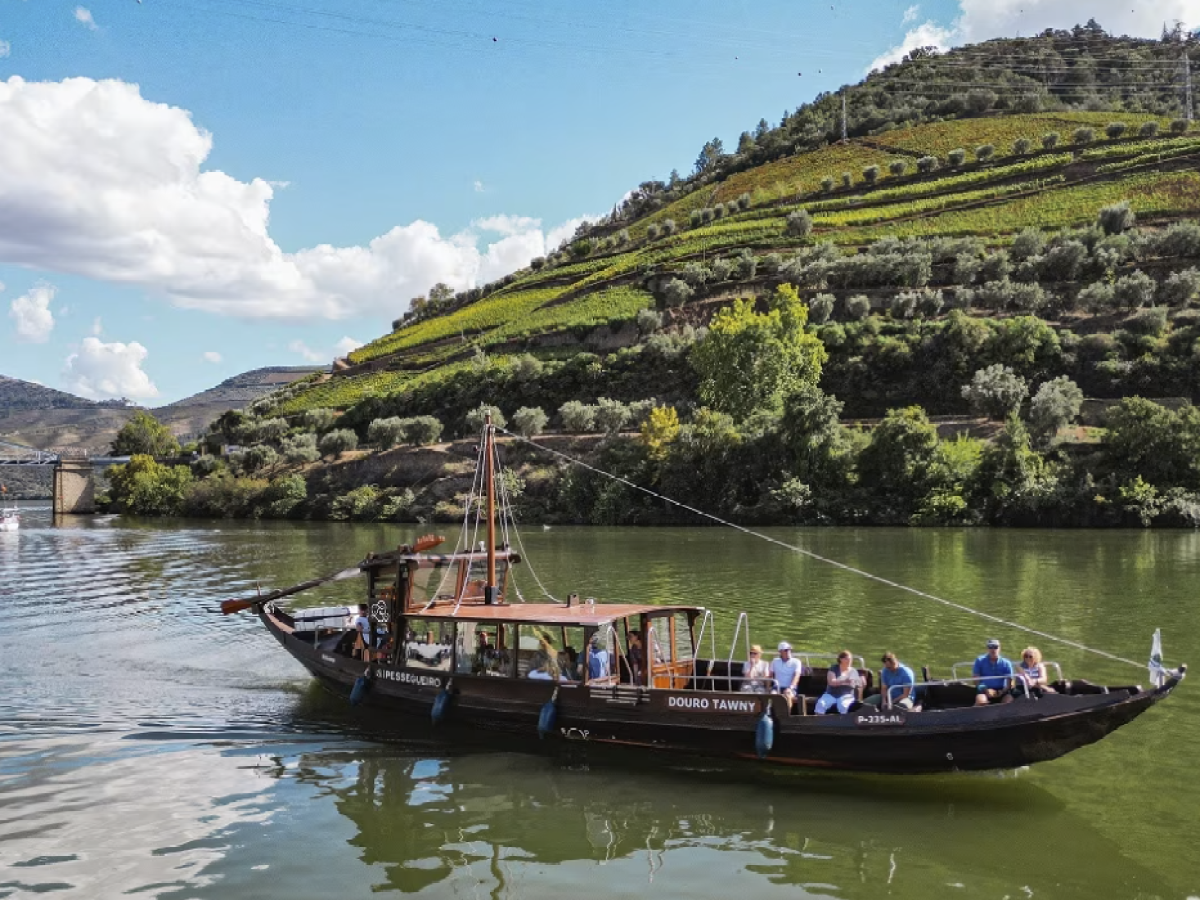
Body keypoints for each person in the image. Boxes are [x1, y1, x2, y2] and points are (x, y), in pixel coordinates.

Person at [815, 650, 864, 715]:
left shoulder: (853, 671)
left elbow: (857, 684)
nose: (849, 661)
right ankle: (818, 721)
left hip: (846, 695)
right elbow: (831, 682)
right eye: (847, 659)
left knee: (844, 706)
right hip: (831, 694)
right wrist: (845, 681)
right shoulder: (833, 669)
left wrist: (861, 682)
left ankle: (843, 723)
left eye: (850, 659)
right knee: (821, 704)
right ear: (841, 659)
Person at [973, 638, 1015, 705]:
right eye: (990, 647)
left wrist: (1001, 691)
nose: (993, 649)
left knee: (1009, 701)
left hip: (1001, 690)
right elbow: (976, 681)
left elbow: (1009, 684)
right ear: (987, 649)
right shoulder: (979, 660)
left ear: (999, 648)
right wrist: (986, 690)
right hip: (984, 689)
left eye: (995, 647)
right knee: (981, 701)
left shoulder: (1006, 663)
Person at [769, 642, 804, 709]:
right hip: (777, 687)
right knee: (772, 695)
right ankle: (772, 714)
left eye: (789, 649)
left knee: (788, 694)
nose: (788, 651)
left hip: (791, 687)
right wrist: (768, 687)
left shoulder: (796, 661)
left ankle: (787, 715)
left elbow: (796, 676)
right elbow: (770, 675)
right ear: (780, 651)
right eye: (786, 650)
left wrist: (790, 687)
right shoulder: (775, 661)